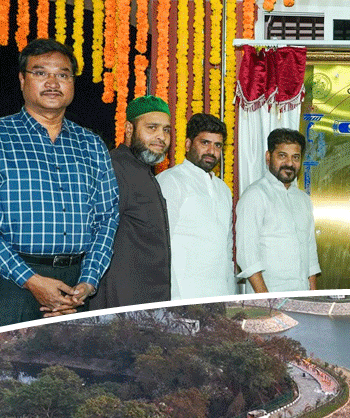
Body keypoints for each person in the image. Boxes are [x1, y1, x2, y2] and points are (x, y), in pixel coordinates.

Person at [0, 38, 119, 328]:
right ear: (22, 80)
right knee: (5, 358)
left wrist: (88, 282)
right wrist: (30, 279)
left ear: (73, 83)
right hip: (9, 283)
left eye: (63, 75)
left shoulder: (91, 144)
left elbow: (107, 217)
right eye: (41, 73)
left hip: (75, 288)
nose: (53, 83)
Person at [89, 95, 172, 309]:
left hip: (148, 301)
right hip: (121, 302)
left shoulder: (143, 170)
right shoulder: (115, 168)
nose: (161, 137)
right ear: (128, 129)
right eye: (152, 128)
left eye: (166, 130)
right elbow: (99, 237)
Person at [157, 112, 237, 299]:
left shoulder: (223, 190)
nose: (211, 151)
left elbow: (227, 251)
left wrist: (230, 296)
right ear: (187, 144)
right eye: (205, 143)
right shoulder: (170, 181)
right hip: (183, 296)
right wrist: (173, 301)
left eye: (217, 145)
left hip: (219, 295)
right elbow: (161, 247)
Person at [236, 128, 320, 292]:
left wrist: (313, 298)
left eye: (295, 157)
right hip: (269, 297)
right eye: (282, 156)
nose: (290, 163)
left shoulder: (303, 200)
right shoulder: (255, 195)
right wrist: (267, 301)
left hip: (302, 296)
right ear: (268, 157)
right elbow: (247, 257)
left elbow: (311, 256)